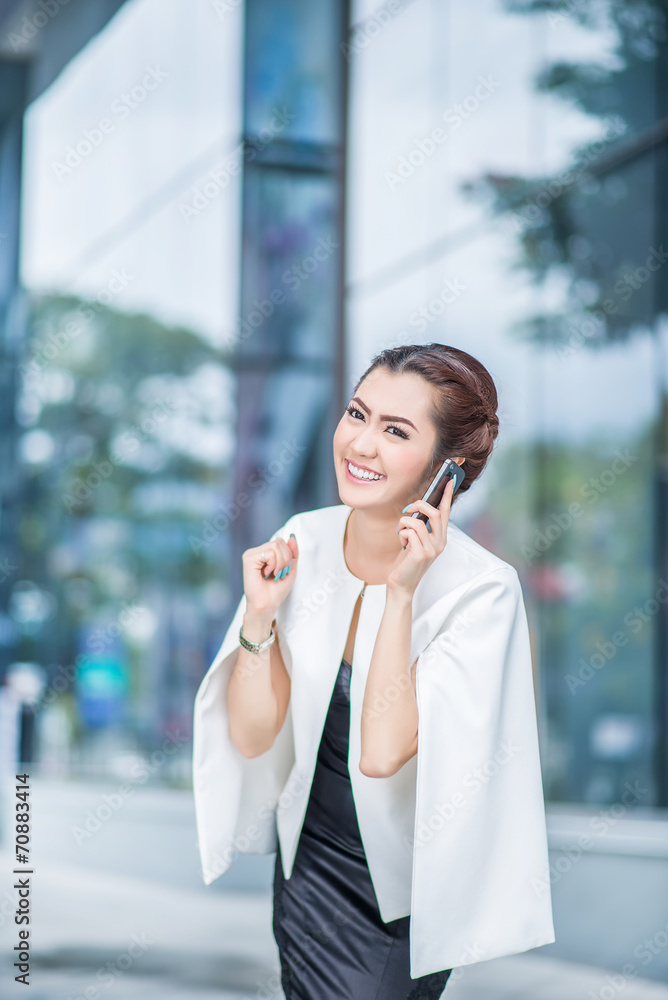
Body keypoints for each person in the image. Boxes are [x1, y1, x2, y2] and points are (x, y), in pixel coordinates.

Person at [192, 343, 555, 998]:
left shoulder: (483, 591)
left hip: (399, 894)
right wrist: (259, 618)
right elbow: (251, 736)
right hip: (307, 868)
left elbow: (383, 751)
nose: (361, 444)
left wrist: (401, 590)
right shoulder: (304, 539)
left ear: (450, 468)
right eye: (357, 415)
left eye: (395, 431)